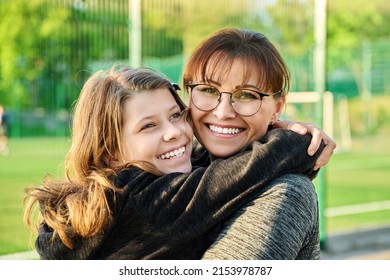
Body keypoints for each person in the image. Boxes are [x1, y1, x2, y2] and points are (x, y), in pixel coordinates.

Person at [24, 65, 324, 259]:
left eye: (176, 115)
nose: (175, 133)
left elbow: (215, 171)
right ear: (110, 153)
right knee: (292, 191)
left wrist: (268, 128)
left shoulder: (105, 200)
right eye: (149, 126)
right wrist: (297, 141)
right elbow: (240, 174)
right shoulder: (141, 199)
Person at [180, 28, 336, 259]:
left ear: (277, 108)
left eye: (246, 95)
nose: (223, 113)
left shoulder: (287, 192)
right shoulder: (182, 164)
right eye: (209, 90)